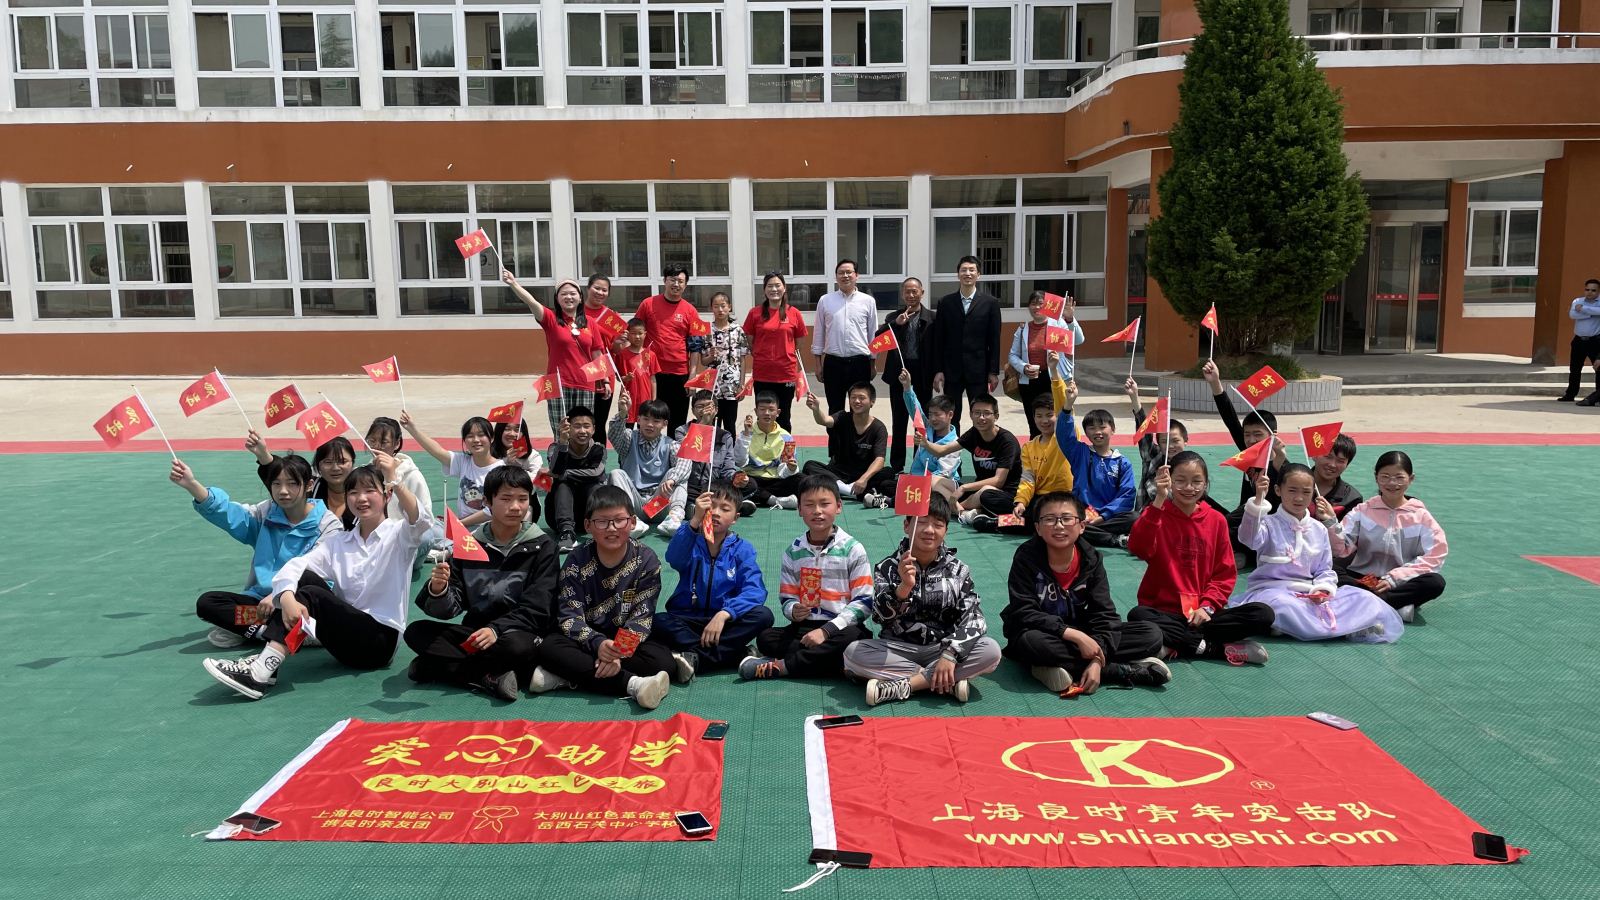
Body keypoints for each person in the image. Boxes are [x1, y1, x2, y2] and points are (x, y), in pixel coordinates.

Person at [200, 453, 433, 700]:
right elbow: (296, 566)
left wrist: (394, 479)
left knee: (312, 594)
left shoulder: (399, 536)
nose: (361, 498)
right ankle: (268, 664)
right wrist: (286, 598)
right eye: (353, 492)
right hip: (342, 639)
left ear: (387, 496)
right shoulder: (340, 542)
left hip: (378, 644)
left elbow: (421, 520)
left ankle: (261, 670)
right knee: (304, 579)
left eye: (370, 491)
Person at [404, 466, 560, 700]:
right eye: (506, 499)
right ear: (487, 501)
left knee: (520, 648)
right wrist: (439, 591)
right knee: (416, 632)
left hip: (519, 632)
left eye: (522, 499)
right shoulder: (469, 545)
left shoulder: (543, 546)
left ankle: (438, 667)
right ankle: (487, 676)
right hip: (476, 632)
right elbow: (450, 609)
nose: (515, 507)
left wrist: (496, 629)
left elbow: (538, 608)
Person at [1001, 492, 1171, 692]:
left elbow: (1104, 613)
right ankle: (1119, 670)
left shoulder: (1092, 559)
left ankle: (1057, 667)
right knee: (1032, 643)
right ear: (1038, 528)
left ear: (1081, 526)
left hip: (1082, 629)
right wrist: (1075, 636)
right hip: (1042, 632)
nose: (1059, 526)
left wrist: (1096, 659)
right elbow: (1024, 611)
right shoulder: (1026, 557)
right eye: (1049, 519)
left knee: (1150, 634)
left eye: (1067, 519)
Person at [845, 492, 1002, 705]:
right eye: (922, 522)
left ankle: (906, 685)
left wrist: (950, 654)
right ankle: (945, 682)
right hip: (897, 648)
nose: (929, 530)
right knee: (853, 653)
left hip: (942, 648)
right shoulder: (888, 567)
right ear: (906, 525)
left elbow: (975, 619)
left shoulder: (958, 570)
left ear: (946, 530)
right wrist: (903, 588)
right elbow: (879, 617)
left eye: (938, 524)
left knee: (990, 650)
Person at [173, 454, 341, 649]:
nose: (283, 491)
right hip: (261, 604)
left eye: (292, 484)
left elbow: (322, 577)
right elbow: (230, 514)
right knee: (208, 603)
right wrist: (191, 484)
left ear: (309, 485)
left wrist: (280, 594)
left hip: (301, 602)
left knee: (303, 594)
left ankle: (252, 629)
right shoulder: (266, 513)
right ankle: (267, 632)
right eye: (276, 484)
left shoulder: (327, 525)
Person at [527, 486, 673, 710]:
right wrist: (598, 645)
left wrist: (616, 652)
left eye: (619, 520)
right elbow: (569, 617)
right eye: (602, 522)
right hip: (585, 639)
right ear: (588, 525)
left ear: (633, 522)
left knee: (663, 662)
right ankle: (633, 684)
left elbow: (642, 617)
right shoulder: (576, 560)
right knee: (549, 648)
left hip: (624, 639)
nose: (612, 528)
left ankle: (568, 677)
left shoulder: (646, 560)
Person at [1126, 452, 1275, 665]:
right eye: (1180, 480)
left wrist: (1207, 607)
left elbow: (1224, 575)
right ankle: (1212, 649)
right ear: (1169, 481)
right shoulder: (1157, 514)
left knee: (1263, 614)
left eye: (1197, 481)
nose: (1189, 488)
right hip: (1164, 613)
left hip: (1203, 616)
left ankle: (1174, 645)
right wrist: (1159, 498)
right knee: (1138, 615)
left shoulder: (1216, 520)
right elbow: (1138, 547)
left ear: (1206, 484)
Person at [1237, 465, 1403, 643]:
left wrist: (1323, 589)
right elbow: (1249, 539)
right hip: (1273, 591)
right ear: (1278, 490)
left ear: (1313, 494)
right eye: (1292, 490)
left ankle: (1291, 626)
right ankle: (1344, 628)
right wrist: (1257, 503)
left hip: (1310, 594)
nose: (1299, 498)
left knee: (1365, 598)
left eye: (1306, 492)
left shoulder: (1319, 529)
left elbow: (1325, 569)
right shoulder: (1268, 524)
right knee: (1281, 605)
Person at [742, 475, 873, 680]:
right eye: (809, 505)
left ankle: (782, 667)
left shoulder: (853, 549)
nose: (817, 511)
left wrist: (826, 631)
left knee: (853, 639)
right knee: (766, 638)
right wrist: (793, 610)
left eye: (825, 504)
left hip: (840, 627)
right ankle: (833, 664)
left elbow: (864, 602)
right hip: (805, 627)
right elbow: (787, 597)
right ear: (799, 509)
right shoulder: (793, 551)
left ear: (838, 507)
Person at [651, 482, 775, 681]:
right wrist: (694, 521)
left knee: (763, 615)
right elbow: (674, 558)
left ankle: (697, 658)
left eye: (725, 509)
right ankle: (735, 654)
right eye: (711, 506)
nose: (716, 513)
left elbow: (755, 590)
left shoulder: (742, 549)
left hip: (724, 622)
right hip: (688, 618)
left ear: (735, 518)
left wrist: (725, 613)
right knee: (658, 621)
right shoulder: (691, 540)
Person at [1326, 450, 1448, 623]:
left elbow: (1435, 556)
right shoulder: (1363, 511)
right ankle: (1396, 605)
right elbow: (1341, 549)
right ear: (1376, 477)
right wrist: (1331, 523)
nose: (1392, 483)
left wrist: (1394, 579)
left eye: (1399, 477)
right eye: (1385, 477)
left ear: (1410, 479)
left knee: (1435, 582)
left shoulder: (1421, 517)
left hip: (1400, 582)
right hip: (1362, 579)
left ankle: (1369, 602)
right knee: (1329, 568)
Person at [504, 273, 604, 449]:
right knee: (561, 431)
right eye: (563, 294)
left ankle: (583, 464)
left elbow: (597, 352)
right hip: (556, 384)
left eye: (572, 293)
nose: (568, 297)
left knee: (583, 431)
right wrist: (513, 284)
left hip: (585, 383)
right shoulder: (550, 319)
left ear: (580, 297)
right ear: (557, 299)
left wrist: (604, 380)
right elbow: (531, 302)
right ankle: (560, 463)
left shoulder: (590, 323)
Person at [1202, 359, 1288, 562]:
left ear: (1273, 435)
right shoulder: (1250, 453)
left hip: (1266, 529)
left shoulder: (1284, 468)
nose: (1250, 440)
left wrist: (1281, 460)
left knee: (1219, 529)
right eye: (1247, 434)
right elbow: (1231, 420)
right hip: (1241, 519)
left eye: (1257, 434)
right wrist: (1215, 383)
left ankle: (1244, 555)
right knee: (1199, 499)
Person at [917, 392, 1021, 526]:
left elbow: (998, 481)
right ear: (971, 415)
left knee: (985, 492)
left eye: (986, 413)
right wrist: (925, 443)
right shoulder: (974, 433)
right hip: (977, 490)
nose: (981, 417)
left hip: (1002, 494)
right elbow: (942, 451)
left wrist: (964, 488)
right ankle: (963, 512)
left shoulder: (1007, 441)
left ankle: (955, 508)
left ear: (996, 416)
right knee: (933, 480)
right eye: (977, 413)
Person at [997, 357, 1074, 534]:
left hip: (1064, 498)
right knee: (990, 496)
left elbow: (1063, 404)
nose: (1044, 420)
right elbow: (1027, 479)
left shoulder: (1065, 438)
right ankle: (1005, 521)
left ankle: (1000, 522)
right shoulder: (1029, 447)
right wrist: (1021, 502)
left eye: (1049, 415)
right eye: (1039, 416)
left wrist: (1053, 371)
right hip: (1038, 499)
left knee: (1061, 519)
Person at [1056, 382, 1137, 546]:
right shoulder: (1080, 453)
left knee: (1135, 518)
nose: (1097, 432)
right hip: (1082, 513)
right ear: (1086, 432)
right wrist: (1068, 404)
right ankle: (1115, 539)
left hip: (1108, 516)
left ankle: (1089, 532)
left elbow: (1126, 496)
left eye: (1102, 427)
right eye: (1092, 428)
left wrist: (1102, 517)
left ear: (1113, 429)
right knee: (1066, 522)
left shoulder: (1122, 462)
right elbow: (1064, 435)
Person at [931, 255, 1002, 430]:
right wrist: (938, 370)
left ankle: (979, 447)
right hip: (952, 370)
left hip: (978, 370)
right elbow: (939, 338)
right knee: (951, 415)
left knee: (980, 414)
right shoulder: (945, 302)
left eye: (972, 270)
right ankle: (952, 447)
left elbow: (994, 340)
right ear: (958, 274)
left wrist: (993, 371)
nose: (967, 273)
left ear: (979, 274)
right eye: (964, 270)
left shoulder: (990, 303)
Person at [606, 390, 690, 538]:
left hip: (658, 505)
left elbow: (685, 463)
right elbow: (614, 434)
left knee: (678, 474)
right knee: (616, 473)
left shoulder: (670, 445)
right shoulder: (629, 439)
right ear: (638, 420)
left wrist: (672, 479)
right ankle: (630, 520)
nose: (650, 424)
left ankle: (674, 519)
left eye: (656, 421)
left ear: (664, 424)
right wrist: (623, 413)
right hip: (633, 504)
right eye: (646, 419)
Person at [401, 412, 503, 528]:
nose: (476, 440)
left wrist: (458, 524)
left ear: (492, 438)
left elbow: (491, 510)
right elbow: (436, 450)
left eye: (481, 435)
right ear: (464, 440)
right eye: (470, 436)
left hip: (487, 529)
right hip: (463, 526)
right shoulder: (463, 461)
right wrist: (412, 428)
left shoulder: (501, 469)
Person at [878, 277, 937, 471]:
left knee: (921, 422)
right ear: (902, 294)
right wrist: (896, 323)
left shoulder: (932, 318)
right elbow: (879, 338)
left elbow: (939, 347)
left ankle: (919, 463)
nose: (911, 295)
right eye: (907, 291)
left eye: (914, 291)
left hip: (923, 376)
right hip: (899, 375)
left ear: (922, 293)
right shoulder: (893, 317)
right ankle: (897, 466)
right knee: (899, 422)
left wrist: (938, 373)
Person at [1009, 291, 1083, 438]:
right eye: (1033, 304)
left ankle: (1057, 451)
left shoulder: (1058, 324)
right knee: (1035, 424)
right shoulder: (1023, 329)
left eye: (1041, 304)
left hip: (1054, 379)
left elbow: (1078, 340)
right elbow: (1013, 355)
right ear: (1028, 307)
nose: (1037, 307)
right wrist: (1024, 367)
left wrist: (1069, 319)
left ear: (1048, 306)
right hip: (1030, 382)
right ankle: (1036, 451)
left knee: (1056, 420)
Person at [801, 381, 891, 502]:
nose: (857, 401)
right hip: (838, 472)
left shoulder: (879, 428)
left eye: (861, 398)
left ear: (872, 402)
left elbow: (879, 460)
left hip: (862, 474)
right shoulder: (842, 417)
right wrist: (816, 409)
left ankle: (838, 488)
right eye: (853, 397)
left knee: (888, 472)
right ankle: (851, 492)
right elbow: (824, 420)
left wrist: (864, 479)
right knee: (810, 466)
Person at [812, 259, 880, 416]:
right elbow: (819, 333)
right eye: (841, 273)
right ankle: (836, 434)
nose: (845, 276)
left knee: (859, 408)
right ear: (836, 276)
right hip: (833, 363)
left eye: (849, 272)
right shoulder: (825, 300)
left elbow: (873, 334)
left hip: (860, 363)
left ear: (857, 275)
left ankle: (857, 434)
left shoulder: (868, 301)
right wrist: (818, 364)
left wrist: (873, 363)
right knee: (835, 409)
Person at [635, 265, 699, 430]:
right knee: (649, 419)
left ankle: (673, 448)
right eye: (672, 280)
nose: (676, 284)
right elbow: (635, 333)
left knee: (677, 423)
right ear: (664, 281)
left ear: (685, 285)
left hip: (680, 373)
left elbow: (695, 347)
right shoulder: (648, 304)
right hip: (652, 373)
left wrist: (692, 377)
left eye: (680, 281)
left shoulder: (691, 311)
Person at [743, 272, 808, 432]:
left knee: (784, 416)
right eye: (770, 286)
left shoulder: (794, 313)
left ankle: (785, 448)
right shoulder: (754, 313)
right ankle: (763, 446)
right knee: (763, 416)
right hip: (763, 374)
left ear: (784, 288)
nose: (774, 289)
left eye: (778, 285)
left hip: (786, 374)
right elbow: (750, 341)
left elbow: (799, 343)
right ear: (764, 290)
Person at [252, 431, 355, 527]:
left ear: (353, 462)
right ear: (318, 465)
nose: (335, 468)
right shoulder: (309, 486)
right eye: (328, 462)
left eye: (343, 461)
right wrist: (263, 455)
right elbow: (278, 475)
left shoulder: (362, 488)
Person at [675, 390, 751, 515]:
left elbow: (728, 468)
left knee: (751, 484)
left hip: (713, 485)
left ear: (716, 410)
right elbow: (684, 451)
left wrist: (736, 477)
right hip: (690, 483)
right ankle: (728, 505)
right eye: (700, 407)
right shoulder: (682, 430)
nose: (704, 410)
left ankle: (708, 506)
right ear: (693, 410)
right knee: (679, 489)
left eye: (708, 407)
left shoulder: (725, 436)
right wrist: (703, 424)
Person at [891, 372, 961, 504]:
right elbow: (915, 409)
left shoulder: (955, 443)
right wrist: (907, 386)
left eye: (937, 414)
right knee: (887, 479)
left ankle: (890, 501)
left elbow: (943, 474)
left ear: (950, 415)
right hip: (917, 481)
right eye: (930, 414)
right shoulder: (927, 427)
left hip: (942, 484)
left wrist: (917, 485)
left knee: (931, 489)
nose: (933, 419)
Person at [545, 406, 607, 553]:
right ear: (568, 428)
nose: (582, 431)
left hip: (587, 516)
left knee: (595, 487)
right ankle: (566, 533)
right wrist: (563, 443)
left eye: (586, 426)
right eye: (577, 426)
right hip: (558, 516)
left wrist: (564, 474)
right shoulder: (555, 448)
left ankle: (600, 526)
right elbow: (555, 470)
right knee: (562, 485)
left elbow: (595, 473)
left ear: (593, 429)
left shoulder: (598, 449)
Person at [1124, 378, 1190, 515]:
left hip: (1178, 517)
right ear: (1158, 444)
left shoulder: (1192, 464)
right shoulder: (1153, 457)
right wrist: (1134, 397)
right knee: (1131, 518)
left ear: (1186, 440)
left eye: (1175, 440)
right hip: (1146, 516)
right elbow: (1144, 433)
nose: (1170, 446)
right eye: (1165, 441)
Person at [690, 291, 750, 435]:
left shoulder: (738, 330)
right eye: (716, 306)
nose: (720, 310)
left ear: (729, 307)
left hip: (732, 386)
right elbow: (703, 361)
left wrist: (742, 384)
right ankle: (713, 449)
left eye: (723, 306)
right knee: (712, 423)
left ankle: (729, 450)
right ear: (711, 308)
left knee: (730, 424)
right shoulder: (707, 331)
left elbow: (742, 359)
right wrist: (711, 356)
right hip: (713, 387)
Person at [364, 417, 435, 524]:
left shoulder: (412, 476)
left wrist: (394, 480)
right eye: (372, 441)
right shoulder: (365, 474)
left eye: (383, 442)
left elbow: (426, 519)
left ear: (397, 444)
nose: (376, 447)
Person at [739, 392, 802, 510]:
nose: (767, 413)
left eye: (771, 410)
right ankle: (775, 500)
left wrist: (791, 469)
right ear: (756, 411)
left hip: (776, 480)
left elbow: (784, 471)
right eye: (762, 409)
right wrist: (746, 435)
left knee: (801, 479)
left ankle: (758, 498)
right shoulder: (746, 433)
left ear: (778, 412)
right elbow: (739, 462)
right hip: (752, 479)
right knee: (738, 481)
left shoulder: (786, 437)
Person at [580, 273, 625, 438]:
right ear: (588, 288)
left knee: (599, 423)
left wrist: (619, 342)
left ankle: (599, 454)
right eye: (596, 288)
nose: (600, 293)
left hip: (604, 375)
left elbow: (615, 350)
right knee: (580, 422)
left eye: (604, 290)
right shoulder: (575, 312)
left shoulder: (611, 317)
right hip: (581, 373)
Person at [490, 417, 544, 524]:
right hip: (494, 504)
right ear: (499, 431)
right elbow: (487, 481)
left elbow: (532, 487)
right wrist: (504, 463)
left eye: (517, 429)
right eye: (507, 429)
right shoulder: (489, 454)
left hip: (525, 505)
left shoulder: (533, 456)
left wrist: (512, 467)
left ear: (524, 434)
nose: (512, 433)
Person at [1560, 278, 1600, 404]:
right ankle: (1570, 394)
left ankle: (1597, 396)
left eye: (1593, 290)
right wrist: (1592, 314)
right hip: (1578, 340)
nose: (1589, 292)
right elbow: (1573, 315)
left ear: (1598, 291)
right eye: (1587, 289)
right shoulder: (1577, 301)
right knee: (1575, 369)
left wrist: (1583, 309)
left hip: (1595, 341)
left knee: (1598, 369)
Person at [614, 318, 659, 424]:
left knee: (644, 426)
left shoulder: (650, 355)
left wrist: (654, 399)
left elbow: (653, 379)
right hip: (628, 398)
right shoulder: (622, 354)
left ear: (645, 334)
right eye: (633, 333)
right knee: (626, 426)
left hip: (645, 398)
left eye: (640, 333)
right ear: (628, 334)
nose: (637, 336)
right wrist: (626, 378)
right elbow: (619, 378)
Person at [1310, 433, 1363, 521]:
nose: (1332, 465)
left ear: (1347, 464)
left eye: (1340, 461)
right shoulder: (1292, 483)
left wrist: (1331, 520)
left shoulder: (1352, 498)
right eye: (1328, 457)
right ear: (1314, 456)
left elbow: (1346, 529)